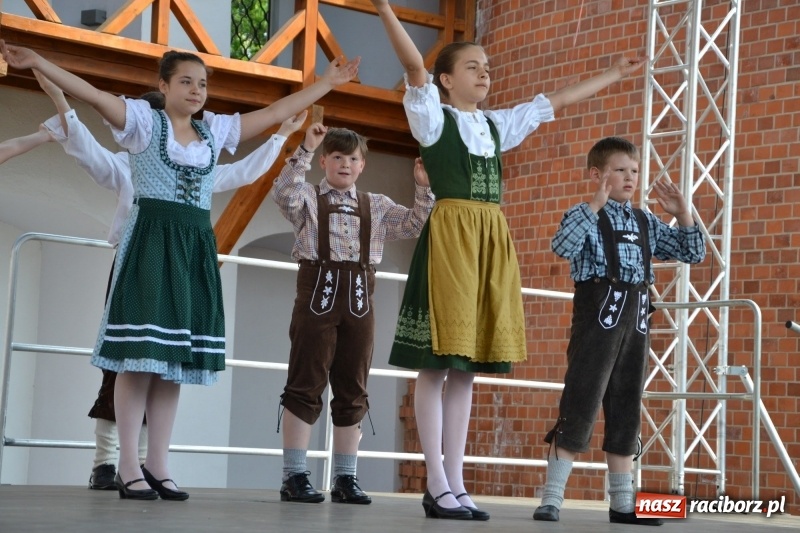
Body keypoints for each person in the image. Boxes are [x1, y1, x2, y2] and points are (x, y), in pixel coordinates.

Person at [1, 40, 359, 501]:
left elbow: (271, 114)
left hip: (193, 247)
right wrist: (40, 62)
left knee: (173, 362)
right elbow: (91, 94)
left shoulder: (214, 132)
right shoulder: (143, 124)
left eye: (203, 83)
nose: (196, 91)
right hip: (151, 241)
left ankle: (158, 463)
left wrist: (326, 83)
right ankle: (126, 463)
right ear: (163, 86)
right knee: (138, 357)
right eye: (186, 82)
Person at [370, 0, 646, 521]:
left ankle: (455, 480)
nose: (485, 74)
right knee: (436, 363)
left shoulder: (497, 125)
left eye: (488, 68)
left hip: (490, 239)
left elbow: (556, 100)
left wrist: (612, 73)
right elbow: (412, 67)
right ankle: (434, 480)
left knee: (467, 369)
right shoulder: (432, 118)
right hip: (452, 238)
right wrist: (385, 7)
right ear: (446, 80)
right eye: (472, 67)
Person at [536, 136, 705, 525]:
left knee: (627, 405)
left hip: (638, 317)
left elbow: (692, 253)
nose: (629, 178)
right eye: (619, 170)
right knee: (581, 399)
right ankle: (552, 498)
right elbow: (561, 246)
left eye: (634, 171)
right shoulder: (584, 213)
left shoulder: (645, 220)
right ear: (597, 174)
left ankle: (623, 504)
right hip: (598, 315)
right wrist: (594, 205)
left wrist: (684, 213)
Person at [271, 122, 434, 504]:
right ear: (324, 161)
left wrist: (423, 187)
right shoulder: (307, 197)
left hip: (361, 299)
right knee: (305, 381)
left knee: (353, 386)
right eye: (337, 157)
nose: (345, 164)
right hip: (316, 295)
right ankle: (294, 475)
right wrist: (305, 150)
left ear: (363, 165)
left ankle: (346, 478)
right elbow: (282, 194)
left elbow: (415, 222)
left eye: (353, 158)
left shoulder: (375, 205)